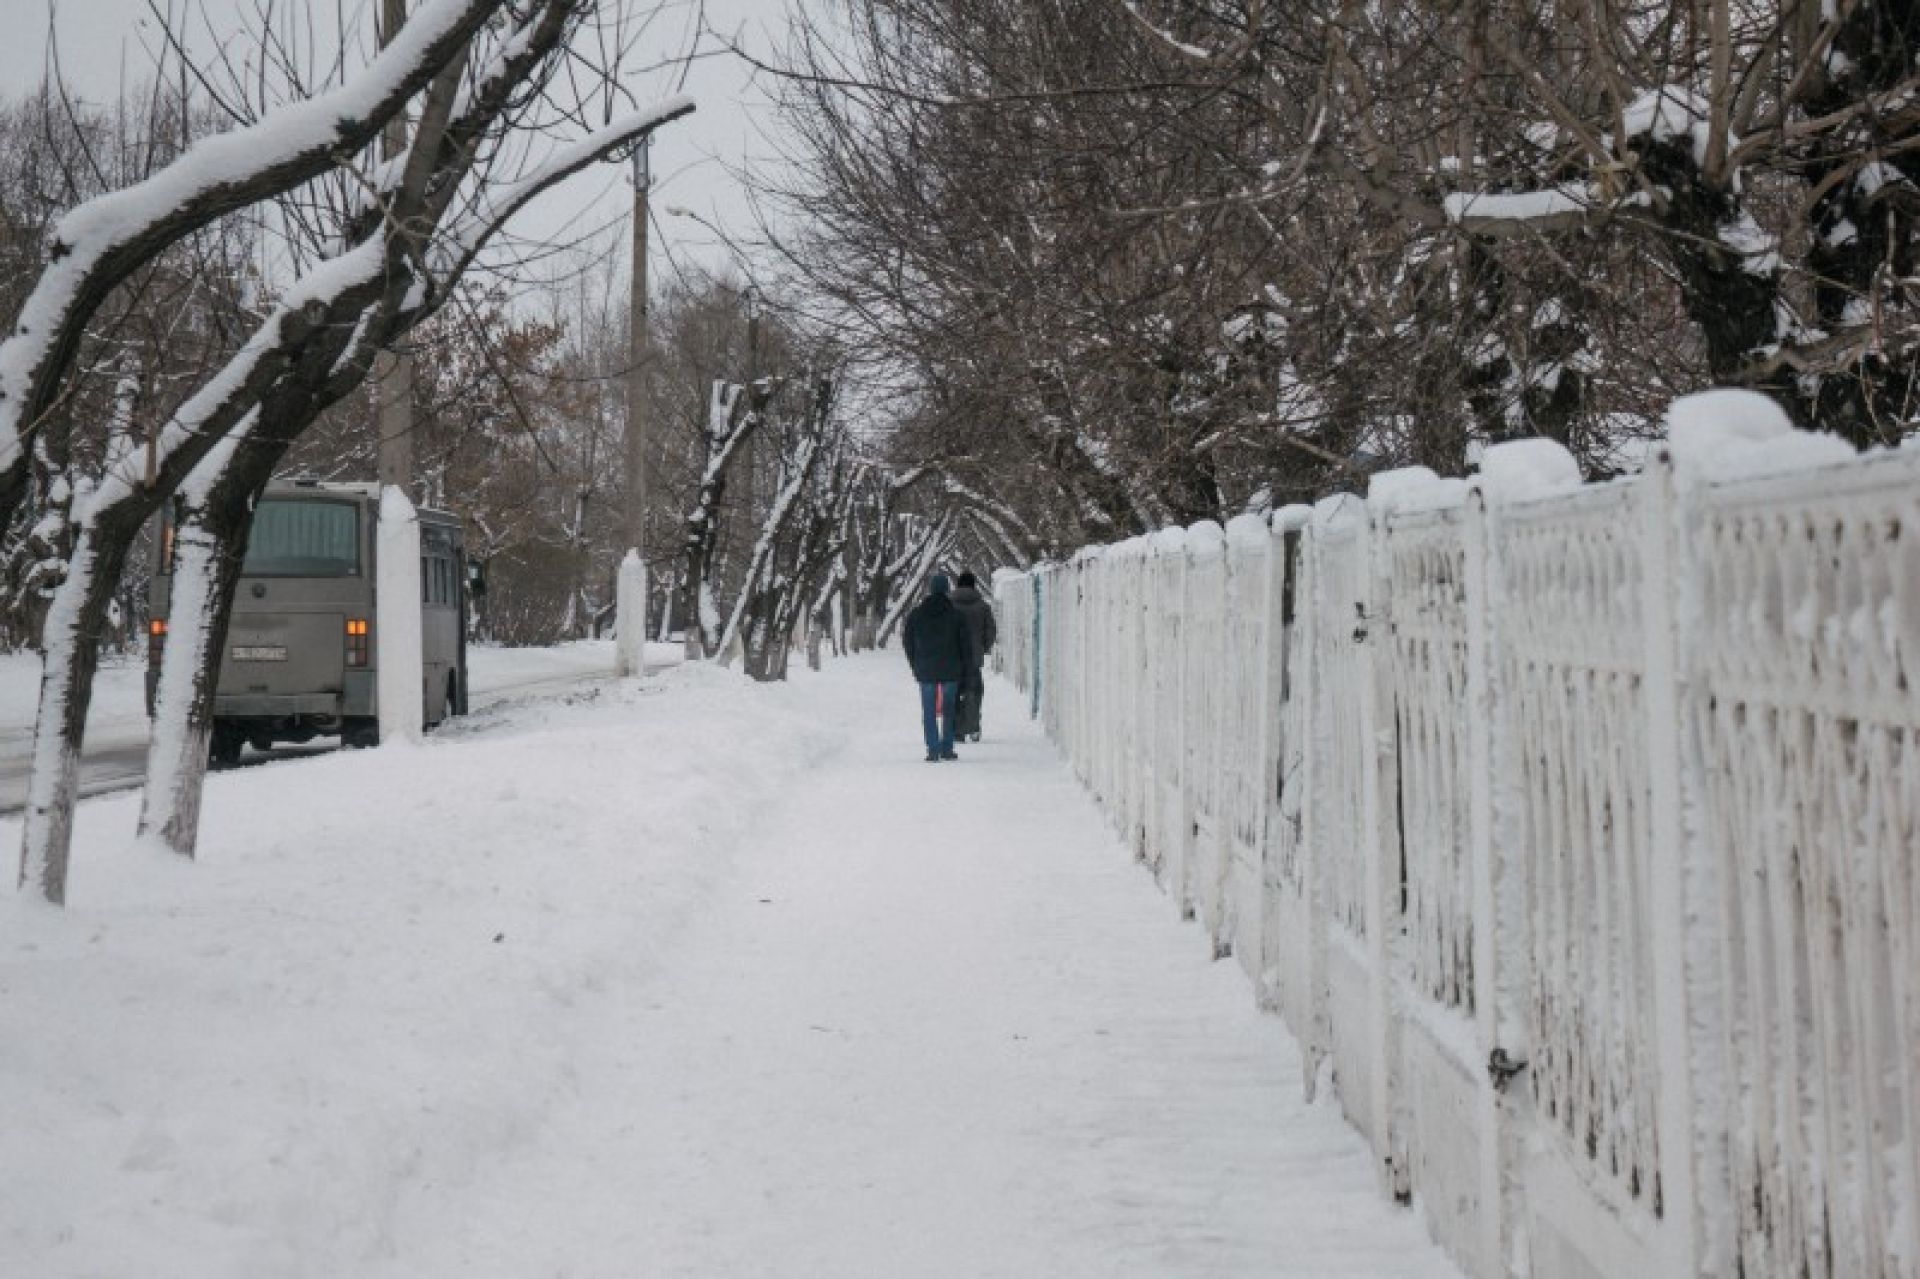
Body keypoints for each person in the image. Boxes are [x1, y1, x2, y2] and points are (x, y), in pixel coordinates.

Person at [901, 573, 974, 761]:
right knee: (949, 710)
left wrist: (915, 663)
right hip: (952, 670)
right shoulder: (957, 615)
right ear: (947, 590)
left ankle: (933, 749)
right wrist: (966, 670)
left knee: (929, 711)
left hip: (926, 670)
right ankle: (947, 748)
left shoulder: (916, 614)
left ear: (931, 590)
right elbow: (965, 646)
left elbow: (907, 641)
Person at [948, 571, 997, 742]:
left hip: (953, 656)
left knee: (953, 691)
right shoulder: (983, 606)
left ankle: (956, 730)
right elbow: (991, 631)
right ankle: (973, 727)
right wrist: (983, 647)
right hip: (974, 657)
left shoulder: (949, 605)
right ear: (973, 585)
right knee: (974, 691)